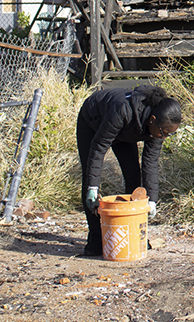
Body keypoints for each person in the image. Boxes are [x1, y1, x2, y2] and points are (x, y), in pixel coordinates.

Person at [77, 83, 183, 257]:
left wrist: (152, 200)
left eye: (169, 134)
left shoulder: (160, 126)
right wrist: (92, 188)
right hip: (93, 121)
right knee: (90, 177)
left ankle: (133, 233)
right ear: (153, 119)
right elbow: (99, 147)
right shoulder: (123, 110)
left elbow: (151, 162)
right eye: (164, 132)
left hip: (127, 131)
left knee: (133, 175)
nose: (164, 137)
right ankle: (95, 238)